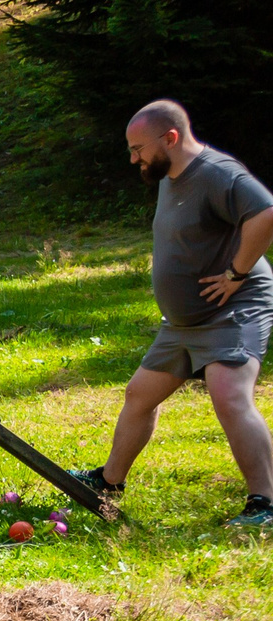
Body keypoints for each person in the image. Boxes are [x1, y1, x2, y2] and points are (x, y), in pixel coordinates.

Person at [73, 101, 273, 528]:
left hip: (230, 310)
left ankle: (266, 503)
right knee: (139, 395)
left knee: (229, 394)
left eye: (138, 149)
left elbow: (266, 212)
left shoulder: (218, 173)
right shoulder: (170, 174)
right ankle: (108, 483)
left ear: (171, 138)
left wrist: (236, 274)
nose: (134, 159)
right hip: (184, 322)